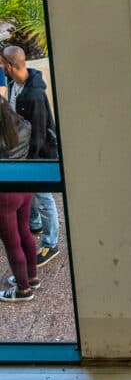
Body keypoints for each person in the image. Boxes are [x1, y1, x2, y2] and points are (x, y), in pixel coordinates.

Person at [1, 46, 60, 268]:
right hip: (24, 152)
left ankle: (50, 243)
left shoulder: (34, 94)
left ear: (9, 66)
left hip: (37, 155)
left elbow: (39, 134)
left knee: (44, 199)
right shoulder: (15, 84)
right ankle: (34, 224)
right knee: (32, 195)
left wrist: (30, 161)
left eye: (1, 64)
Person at [0, 97, 38, 301]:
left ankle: (22, 290)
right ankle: (32, 277)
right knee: (25, 233)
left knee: (12, 242)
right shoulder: (24, 125)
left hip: (5, 194)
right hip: (25, 184)